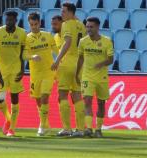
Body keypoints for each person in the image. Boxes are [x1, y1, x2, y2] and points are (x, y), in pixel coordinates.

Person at [51, 2, 86, 137]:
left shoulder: (66, 24)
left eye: (64, 11)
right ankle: (81, 129)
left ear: (70, 12)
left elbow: (67, 42)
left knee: (63, 95)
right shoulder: (81, 25)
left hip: (67, 63)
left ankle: (67, 128)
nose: (62, 14)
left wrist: (57, 60)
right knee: (77, 96)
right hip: (79, 64)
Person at [76, 17, 114, 138]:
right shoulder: (83, 41)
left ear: (97, 27)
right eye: (87, 27)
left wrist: (101, 64)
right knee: (87, 100)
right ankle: (88, 128)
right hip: (87, 76)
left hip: (102, 77)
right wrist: (77, 73)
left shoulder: (107, 41)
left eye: (91, 27)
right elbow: (80, 58)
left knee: (101, 103)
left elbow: (111, 59)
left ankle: (98, 129)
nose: (89, 29)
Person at [23, 12, 59, 136]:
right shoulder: (27, 39)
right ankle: (45, 124)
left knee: (44, 97)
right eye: (31, 24)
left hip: (48, 72)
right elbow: (23, 55)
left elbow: (57, 51)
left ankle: (42, 126)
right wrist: (32, 56)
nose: (34, 26)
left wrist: (59, 62)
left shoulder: (48, 36)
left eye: (36, 24)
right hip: (35, 74)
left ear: (40, 23)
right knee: (38, 100)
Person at [0, 11, 26, 136]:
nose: (9, 21)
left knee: (14, 99)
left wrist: (22, 69)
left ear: (15, 21)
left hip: (16, 70)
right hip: (1, 71)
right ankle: (8, 119)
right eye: (7, 19)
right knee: (0, 101)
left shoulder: (22, 33)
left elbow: (22, 53)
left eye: (11, 20)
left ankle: (11, 128)